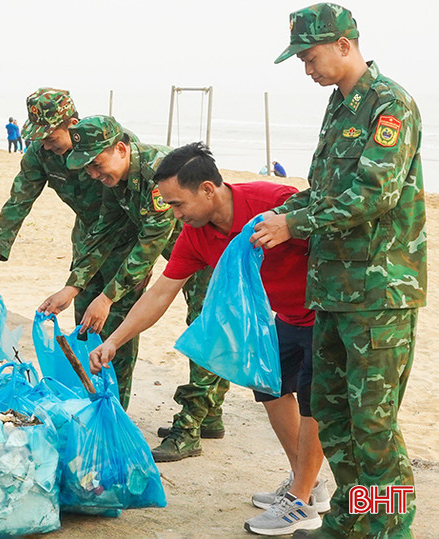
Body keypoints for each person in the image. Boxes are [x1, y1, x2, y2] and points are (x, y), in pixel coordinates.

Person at [87, 142, 330, 535]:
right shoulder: (195, 234)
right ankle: (308, 481)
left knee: (312, 398)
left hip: (325, 313)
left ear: (207, 189)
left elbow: (329, 230)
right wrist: (114, 340)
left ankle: (300, 501)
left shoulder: (274, 199)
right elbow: (162, 291)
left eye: (178, 204)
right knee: (269, 388)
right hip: (284, 315)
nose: (175, 214)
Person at [252, 4, 426, 537]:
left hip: (378, 293)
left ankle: (390, 527)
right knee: (334, 418)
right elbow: (328, 190)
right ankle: (354, 520)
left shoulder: (389, 104)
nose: (308, 70)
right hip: (330, 292)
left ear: (345, 44)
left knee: (373, 425)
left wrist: (294, 223)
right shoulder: (339, 105)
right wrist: (283, 213)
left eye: (311, 57)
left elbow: (373, 193)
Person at [0, 89, 150, 412]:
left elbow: (143, 217)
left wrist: (128, 276)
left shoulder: (108, 146)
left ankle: (115, 413)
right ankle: (90, 402)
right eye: (38, 137)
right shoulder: (41, 155)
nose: (44, 144)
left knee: (118, 327)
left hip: (126, 240)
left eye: (49, 136)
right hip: (88, 239)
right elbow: (17, 203)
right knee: (85, 322)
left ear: (71, 123)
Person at [36, 115, 208, 418]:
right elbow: (105, 229)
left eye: (96, 164)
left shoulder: (158, 172)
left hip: (206, 247)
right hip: (179, 246)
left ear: (120, 149)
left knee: (203, 326)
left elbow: (150, 243)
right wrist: (73, 286)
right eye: (87, 167)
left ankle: (196, 421)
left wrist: (107, 297)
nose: (92, 174)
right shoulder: (117, 179)